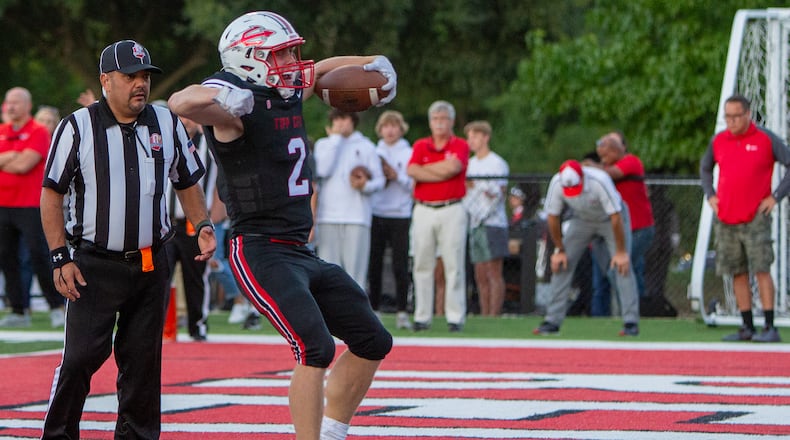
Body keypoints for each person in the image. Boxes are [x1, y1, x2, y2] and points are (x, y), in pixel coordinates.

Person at [167, 11, 395, 440]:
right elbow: (181, 102)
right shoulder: (233, 109)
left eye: (291, 52)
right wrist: (224, 92)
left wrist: (373, 63)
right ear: (249, 58)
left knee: (373, 340)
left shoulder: (282, 92)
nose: (292, 61)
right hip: (258, 249)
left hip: (299, 250)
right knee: (315, 347)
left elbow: (321, 68)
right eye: (282, 53)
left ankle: (332, 432)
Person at [39, 40, 216, 439]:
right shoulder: (76, 126)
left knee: (142, 363)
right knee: (80, 358)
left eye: (145, 76)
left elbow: (186, 179)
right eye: (130, 76)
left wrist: (202, 223)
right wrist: (59, 256)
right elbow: (51, 193)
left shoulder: (166, 122)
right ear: (105, 80)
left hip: (151, 262)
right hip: (93, 264)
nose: (141, 84)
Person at [700, 94, 790, 343]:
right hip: (727, 217)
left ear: (748, 114)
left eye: (736, 116)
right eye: (727, 117)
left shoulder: (765, 139)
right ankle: (746, 325)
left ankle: (770, 326)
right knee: (736, 272)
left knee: (761, 268)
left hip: (755, 217)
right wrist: (710, 194)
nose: (731, 121)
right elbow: (705, 167)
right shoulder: (719, 140)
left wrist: (775, 197)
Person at [533, 159, 640, 336]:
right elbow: (553, 217)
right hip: (582, 219)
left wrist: (621, 252)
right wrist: (559, 250)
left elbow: (616, 217)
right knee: (562, 264)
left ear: (582, 177)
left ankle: (630, 322)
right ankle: (552, 320)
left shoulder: (600, 181)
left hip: (609, 219)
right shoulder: (557, 183)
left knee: (622, 266)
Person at [0, 87, 65, 328]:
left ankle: (57, 306)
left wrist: (7, 159)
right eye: (8, 102)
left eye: (16, 102)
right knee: (7, 258)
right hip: (3, 204)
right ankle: (19, 310)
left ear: (28, 106)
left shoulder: (38, 131)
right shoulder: (2, 131)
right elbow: (19, 161)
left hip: (30, 204)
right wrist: (14, 155)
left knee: (39, 256)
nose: (11, 106)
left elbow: (24, 165)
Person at [407, 100, 469, 332]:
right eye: (435, 119)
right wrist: (441, 169)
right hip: (424, 208)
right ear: (430, 122)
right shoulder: (421, 145)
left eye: (443, 118)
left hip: (451, 207)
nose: (439, 123)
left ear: (451, 121)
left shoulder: (460, 144)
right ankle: (422, 315)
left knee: (454, 263)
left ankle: (455, 316)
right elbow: (412, 170)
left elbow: (454, 168)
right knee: (422, 263)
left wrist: (426, 170)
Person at [314, 109, 384, 288]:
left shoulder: (367, 146)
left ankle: (357, 306)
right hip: (328, 217)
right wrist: (336, 140)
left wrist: (365, 185)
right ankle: (330, 306)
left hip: (357, 217)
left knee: (355, 274)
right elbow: (322, 170)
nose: (340, 123)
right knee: (328, 273)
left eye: (344, 118)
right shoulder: (324, 144)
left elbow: (380, 181)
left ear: (353, 121)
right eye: (336, 119)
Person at [163, 111, 218, 341]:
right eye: (182, 117)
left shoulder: (209, 145)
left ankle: (198, 327)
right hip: (166, 224)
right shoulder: (165, 140)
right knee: (159, 277)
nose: (186, 121)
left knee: (195, 278)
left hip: (194, 225)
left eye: (191, 117)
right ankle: (157, 328)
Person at [589, 132, 655, 314]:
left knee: (620, 271)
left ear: (620, 149)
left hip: (638, 230)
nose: (605, 154)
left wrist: (588, 167)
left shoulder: (631, 161)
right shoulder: (602, 168)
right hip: (615, 232)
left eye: (610, 147)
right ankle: (618, 315)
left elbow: (610, 174)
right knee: (610, 277)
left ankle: (630, 313)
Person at [368, 110, 413, 328]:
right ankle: (374, 310)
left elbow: (414, 184)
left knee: (400, 264)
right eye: (386, 126)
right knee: (374, 263)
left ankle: (402, 311)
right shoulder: (373, 151)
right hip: (377, 212)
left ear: (401, 129)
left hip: (400, 213)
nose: (390, 130)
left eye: (394, 126)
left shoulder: (408, 152)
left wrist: (397, 176)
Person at [462, 121, 509, 316]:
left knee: (494, 272)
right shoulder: (470, 164)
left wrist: (478, 187)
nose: (471, 141)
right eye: (469, 137)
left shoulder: (497, 163)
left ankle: (494, 313)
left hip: (493, 222)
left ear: (485, 137)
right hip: (474, 222)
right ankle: (484, 313)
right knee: (480, 273)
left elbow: (497, 193)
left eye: (475, 136)